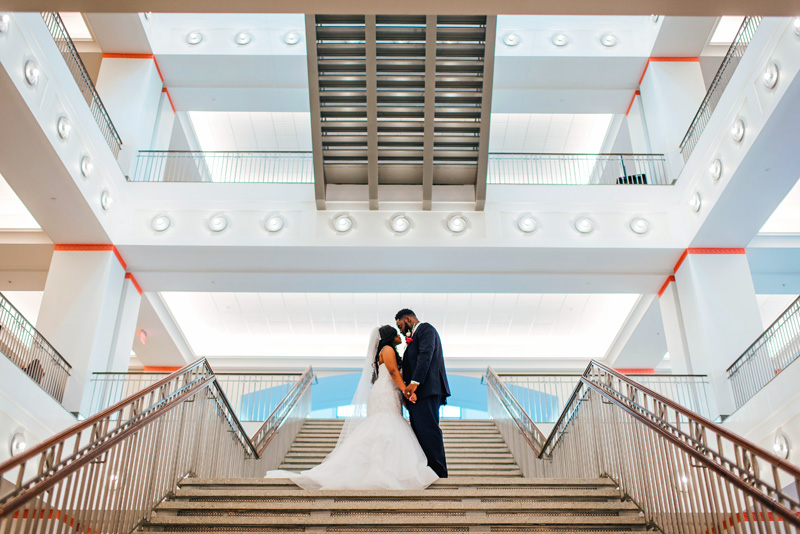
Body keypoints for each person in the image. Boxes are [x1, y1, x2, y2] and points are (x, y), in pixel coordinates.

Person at [266, 325, 438, 490]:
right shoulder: (387, 350)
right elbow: (393, 372)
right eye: (395, 332)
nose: (399, 335)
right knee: (387, 427)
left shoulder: (383, 351)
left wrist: (402, 396)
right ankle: (382, 472)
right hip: (385, 393)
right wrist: (406, 392)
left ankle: (381, 470)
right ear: (389, 336)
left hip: (386, 393)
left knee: (386, 429)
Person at [395, 308, 450, 478]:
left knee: (428, 429)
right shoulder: (412, 340)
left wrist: (413, 384)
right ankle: (427, 471)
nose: (401, 331)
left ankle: (439, 472)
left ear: (408, 319)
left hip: (426, 390)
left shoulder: (426, 329)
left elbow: (425, 355)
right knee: (419, 431)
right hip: (417, 394)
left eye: (401, 326)